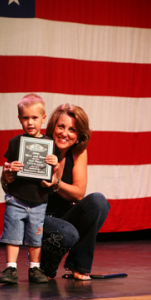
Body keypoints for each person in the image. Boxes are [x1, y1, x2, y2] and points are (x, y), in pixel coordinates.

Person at [40, 103, 110, 280]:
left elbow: (79, 194)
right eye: (61, 126)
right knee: (66, 231)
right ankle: (44, 267)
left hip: (64, 217)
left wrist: (55, 183)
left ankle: (78, 266)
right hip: (38, 217)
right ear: (53, 127)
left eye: (72, 129)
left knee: (98, 202)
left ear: (78, 135)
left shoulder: (78, 152)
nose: (65, 133)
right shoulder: (39, 147)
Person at [0, 94, 58, 284]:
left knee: (35, 236)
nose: (30, 122)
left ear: (43, 118)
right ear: (19, 119)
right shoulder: (16, 143)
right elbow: (7, 170)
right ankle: (10, 268)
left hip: (39, 200)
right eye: (25, 118)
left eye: (34, 118)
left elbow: (54, 173)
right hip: (16, 198)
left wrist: (55, 164)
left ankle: (34, 268)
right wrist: (10, 168)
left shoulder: (49, 144)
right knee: (13, 234)